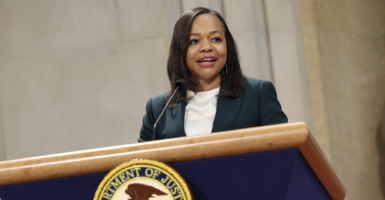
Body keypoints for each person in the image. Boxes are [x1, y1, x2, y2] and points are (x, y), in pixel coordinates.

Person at [138, 7, 287, 142]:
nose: (206, 47)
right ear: (180, 51)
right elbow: (141, 166)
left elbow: (284, 149)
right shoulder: (158, 109)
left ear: (227, 46)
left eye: (215, 39)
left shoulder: (257, 94)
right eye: (194, 41)